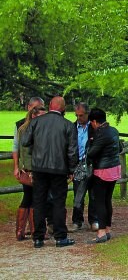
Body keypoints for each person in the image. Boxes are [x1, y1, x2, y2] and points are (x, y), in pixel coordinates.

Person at [22, 96, 78, 248]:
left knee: (39, 201)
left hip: (39, 168)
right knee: (58, 202)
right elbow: (72, 151)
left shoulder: (36, 122)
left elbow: (25, 141)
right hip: (59, 169)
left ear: (50, 106)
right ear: (63, 108)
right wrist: (72, 169)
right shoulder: (68, 125)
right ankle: (60, 236)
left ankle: (38, 238)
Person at [86, 108, 121, 244]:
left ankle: (101, 232)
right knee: (108, 200)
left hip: (102, 170)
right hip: (114, 168)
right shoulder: (114, 131)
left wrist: (89, 146)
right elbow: (119, 148)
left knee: (99, 201)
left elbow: (92, 153)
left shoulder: (101, 133)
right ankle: (107, 229)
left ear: (94, 121)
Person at [13, 102, 46, 240]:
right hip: (34, 169)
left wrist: (17, 166)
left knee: (28, 198)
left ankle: (21, 231)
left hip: (26, 168)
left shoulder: (21, 128)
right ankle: (34, 230)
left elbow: (17, 148)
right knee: (34, 199)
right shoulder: (33, 130)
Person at [70, 102, 98, 233]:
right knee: (78, 195)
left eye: (81, 115)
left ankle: (94, 220)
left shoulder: (94, 127)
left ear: (88, 114)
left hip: (92, 164)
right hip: (78, 164)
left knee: (93, 194)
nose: (79, 118)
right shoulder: (71, 127)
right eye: (77, 115)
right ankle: (77, 220)